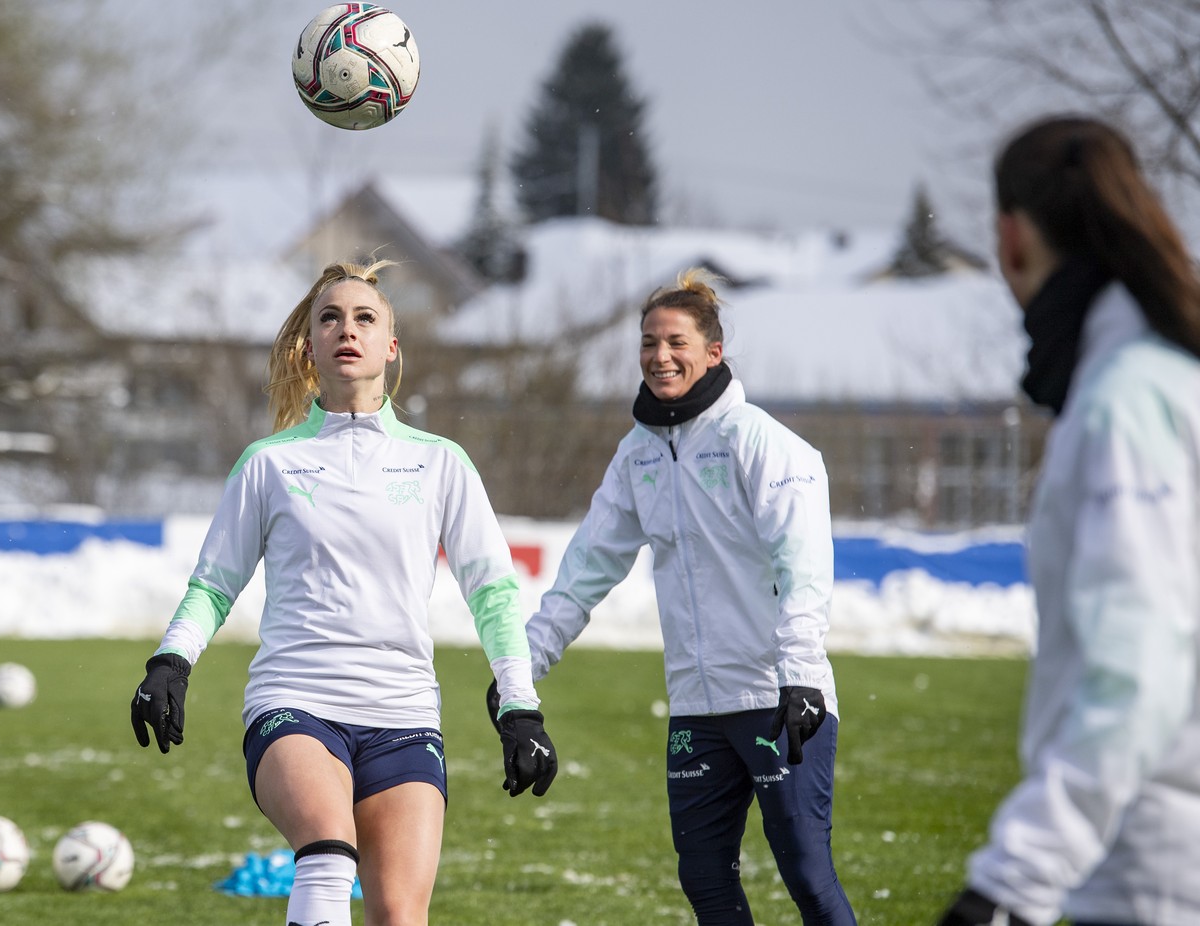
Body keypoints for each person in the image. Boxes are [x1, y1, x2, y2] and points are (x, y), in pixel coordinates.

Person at [129, 259, 558, 926]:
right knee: (328, 856)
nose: (346, 329)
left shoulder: (440, 462)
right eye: (329, 317)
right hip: (296, 703)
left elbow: (494, 593)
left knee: (400, 915)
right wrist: (169, 663)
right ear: (309, 345)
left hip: (404, 714)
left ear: (392, 347)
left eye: (365, 318)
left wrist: (521, 708)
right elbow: (215, 585)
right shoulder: (268, 463)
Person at [498, 268, 856, 925]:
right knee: (706, 883)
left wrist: (801, 673)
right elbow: (586, 569)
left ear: (713, 352)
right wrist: (524, 666)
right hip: (696, 707)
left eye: (675, 342)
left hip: (776, 698)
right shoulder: (636, 456)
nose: (659, 355)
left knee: (807, 873)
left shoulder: (762, 443)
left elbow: (803, 565)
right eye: (647, 342)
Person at [938, 116, 1200, 926]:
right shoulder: (1165, 376)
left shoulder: (1127, 400)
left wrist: (1016, 878)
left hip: (1151, 871)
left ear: (1009, 238)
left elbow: (1140, 662)